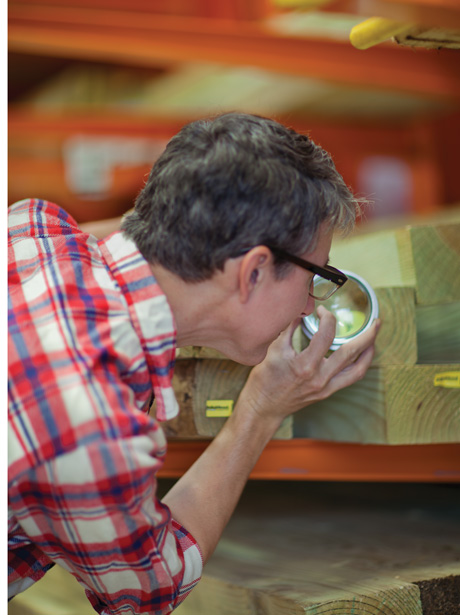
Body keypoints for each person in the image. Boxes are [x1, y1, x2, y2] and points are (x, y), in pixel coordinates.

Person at [8, 112, 380, 614]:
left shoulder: (30, 229)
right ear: (253, 272)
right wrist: (261, 409)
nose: (310, 305)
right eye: (316, 274)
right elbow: (146, 591)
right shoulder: (92, 428)